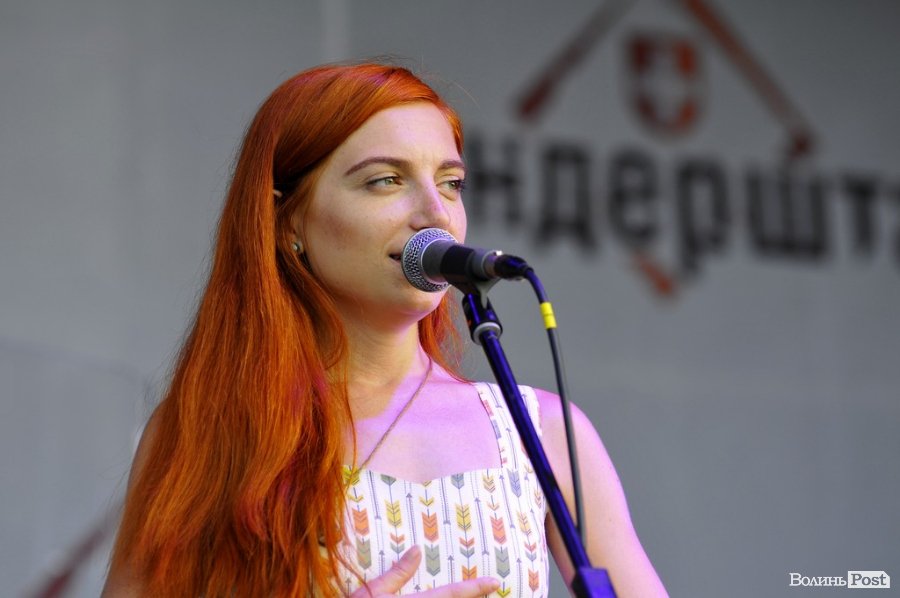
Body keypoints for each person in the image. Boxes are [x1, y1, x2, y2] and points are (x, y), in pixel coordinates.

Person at [102, 62, 667, 597]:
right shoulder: (207, 429)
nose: (435, 213)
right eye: (385, 180)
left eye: (451, 183)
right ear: (287, 221)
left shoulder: (542, 431)